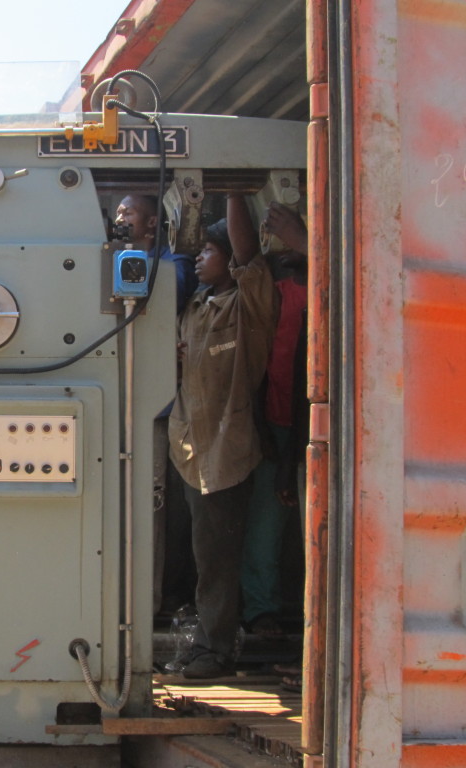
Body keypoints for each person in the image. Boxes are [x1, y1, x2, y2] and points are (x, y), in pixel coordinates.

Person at [168, 195, 275, 679]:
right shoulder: (195, 305)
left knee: (218, 559)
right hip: (190, 451)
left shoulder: (247, 304)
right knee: (200, 556)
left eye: (209, 251)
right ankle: (206, 642)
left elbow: (249, 257)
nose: (198, 258)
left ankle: (216, 651)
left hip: (225, 453)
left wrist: (235, 186)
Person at [114, 194, 200, 620]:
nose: (119, 218)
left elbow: (169, 291)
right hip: (116, 406)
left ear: (151, 224)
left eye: (128, 213)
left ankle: (142, 613)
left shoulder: (175, 266)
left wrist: (133, 259)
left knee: (150, 509)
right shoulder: (111, 260)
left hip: (157, 411)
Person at [241, 203, 309, 639]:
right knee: (263, 530)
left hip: (316, 426)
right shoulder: (276, 283)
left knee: (316, 528)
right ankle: (261, 612)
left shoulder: (328, 282)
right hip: (275, 419)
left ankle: (315, 620)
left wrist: (301, 238)